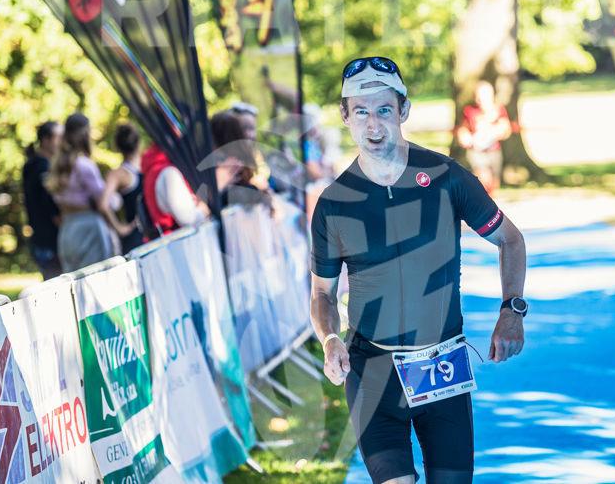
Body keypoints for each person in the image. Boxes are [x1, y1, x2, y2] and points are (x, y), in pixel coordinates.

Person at [310, 56, 528, 484]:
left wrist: (512, 310)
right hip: (372, 370)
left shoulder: (446, 177)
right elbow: (322, 294)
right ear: (345, 116)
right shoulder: (334, 203)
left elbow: (511, 240)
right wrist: (330, 338)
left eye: (384, 110)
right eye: (361, 111)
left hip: (441, 365)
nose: (373, 124)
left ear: (404, 110)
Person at [45, 113, 120, 272]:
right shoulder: (84, 165)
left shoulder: (56, 165)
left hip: (67, 229)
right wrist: (116, 199)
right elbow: (103, 201)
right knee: (95, 277)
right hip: (89, 227)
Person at [22, 121, 63, 279]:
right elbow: (50, 205)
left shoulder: (31, 164)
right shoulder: (42, 168)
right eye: (58, 137)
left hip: (41, 240)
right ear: (46, 140)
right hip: (51, 242)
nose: (63, 142)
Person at [455, 81, 512, 195]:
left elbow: (506, 129)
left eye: (483, 97)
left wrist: (497, 130)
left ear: (491, 96)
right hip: (477, 153)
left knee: (494, 184)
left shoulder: (498, 110)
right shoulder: (469, 111)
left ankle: (489, 202)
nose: (479, 100)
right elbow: (463, 129)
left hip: (494, 151)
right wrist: (464, 137)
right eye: (477, 97)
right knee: (484, 180)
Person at [141, 143, 209, 234]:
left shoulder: (153, 169)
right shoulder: (169, 173)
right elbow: (187, 219)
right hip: (182, 239)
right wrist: (204, 210)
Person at [210, 110, 271, 209]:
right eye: (245, 128)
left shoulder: (237, 163)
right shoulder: (232, 165)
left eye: (252, 128)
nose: (249, 134)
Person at [99, 123, 144, 254]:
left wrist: (120, 228)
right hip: (151, 231)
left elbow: (103, 204)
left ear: (117, 147)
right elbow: (103, 205)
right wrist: (120, 229)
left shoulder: (117, 174)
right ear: (139, 143)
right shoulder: (148, 164)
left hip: (135, 235)